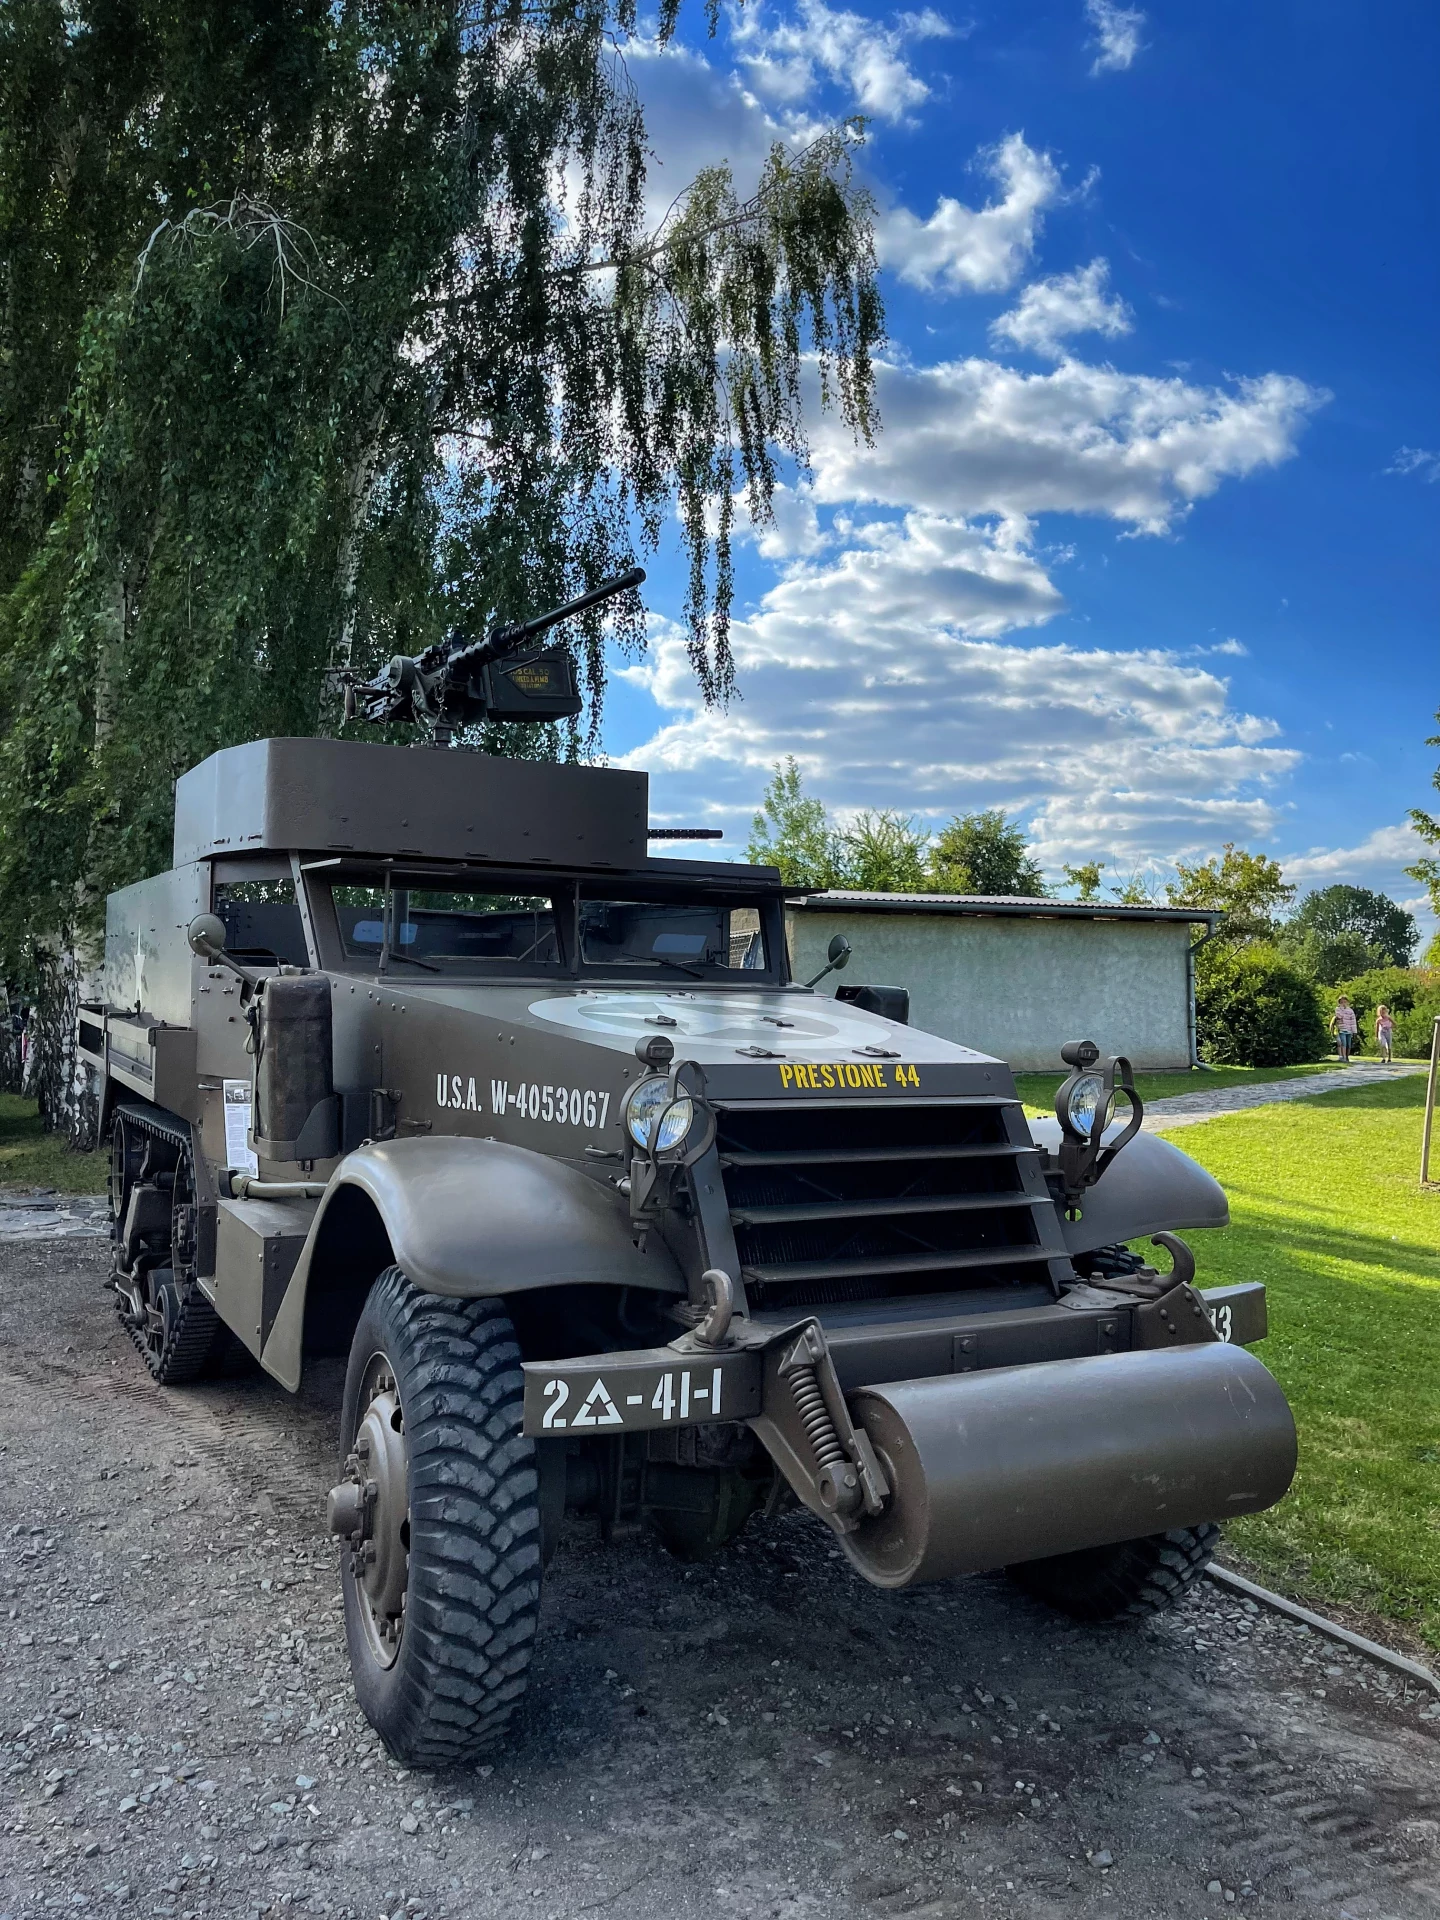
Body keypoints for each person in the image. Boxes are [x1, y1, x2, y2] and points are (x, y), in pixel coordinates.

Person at [1330, 994, 1358, 1064]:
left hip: (1349, 1030)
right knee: (1343, 1044)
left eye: (1345, 1002)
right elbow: (1339, 1016)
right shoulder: (1338, 1009)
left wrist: (1354, 1031)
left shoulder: (1351, 1011)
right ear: (1339, 1003)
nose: (1343, 1003)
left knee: (1349, 1045)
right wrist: (1342, 1009)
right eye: (1342, 1002)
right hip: (1342, 1029)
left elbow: (1353, 1021)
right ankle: (1344, 1057)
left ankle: (1347, 1056)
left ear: (1347, 1002)